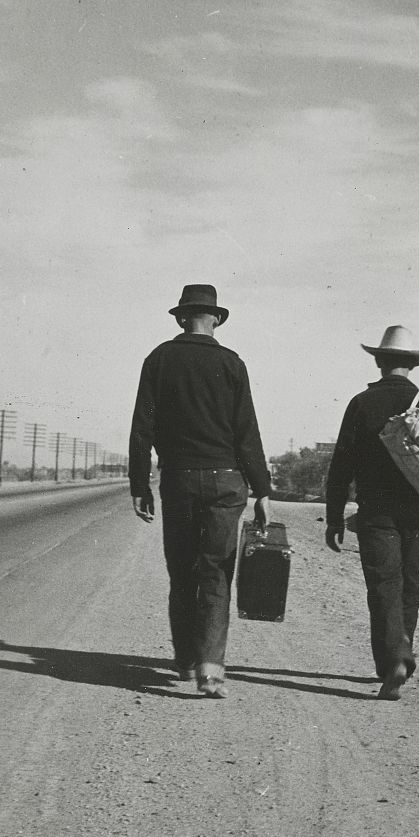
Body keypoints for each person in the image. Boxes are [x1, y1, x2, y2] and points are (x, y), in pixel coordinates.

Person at [129, 284, 272, 699]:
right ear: (216, 319)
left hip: (179, 480)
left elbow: (142, 428)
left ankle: (185, 658)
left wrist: (140, 485)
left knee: (181, 570)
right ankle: (211, 668)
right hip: (228, 481)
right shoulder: (232, 363)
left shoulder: (158, 359)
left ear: (180, 318)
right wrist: (262, 489)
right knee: (215, 572)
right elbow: (248, 431)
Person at [323, 325, 419, 700]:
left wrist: (333, 517)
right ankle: (400, 652)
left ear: (378, 360)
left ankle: (394, 657)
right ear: (412, 364)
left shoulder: (361, 403)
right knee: (410, 585)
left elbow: (341, 465)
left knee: (382, 586)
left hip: (376, 513)